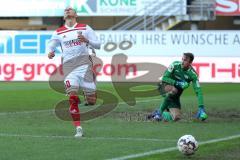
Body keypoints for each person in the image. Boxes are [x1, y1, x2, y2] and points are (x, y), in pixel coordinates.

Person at [47, 6, 101, 137]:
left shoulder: (85, 28)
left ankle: (88, 91)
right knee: (72, 96)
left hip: (85, 66)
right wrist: (50, 52)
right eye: (65, 10)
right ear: (64, 16)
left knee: (92, 101)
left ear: (75, 15)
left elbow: (98, 44)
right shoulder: (58, 32)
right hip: (69, 67)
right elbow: (51, 45)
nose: (67, 10)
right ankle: (78, 128)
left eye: (70, 10)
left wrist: (87, 41)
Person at [147, 53, 208, 122]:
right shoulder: (175, 65)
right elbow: (164, 78)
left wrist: (201, 107)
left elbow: (198, 91)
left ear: (190, 62)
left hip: (175, 96)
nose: (182, 61)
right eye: (182, 59)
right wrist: (177, 83)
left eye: (185, 60)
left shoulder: (193, 75)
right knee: (174, 90)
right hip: (164, 87)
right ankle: (159, 113)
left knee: (176, 117)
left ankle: (156, 113)